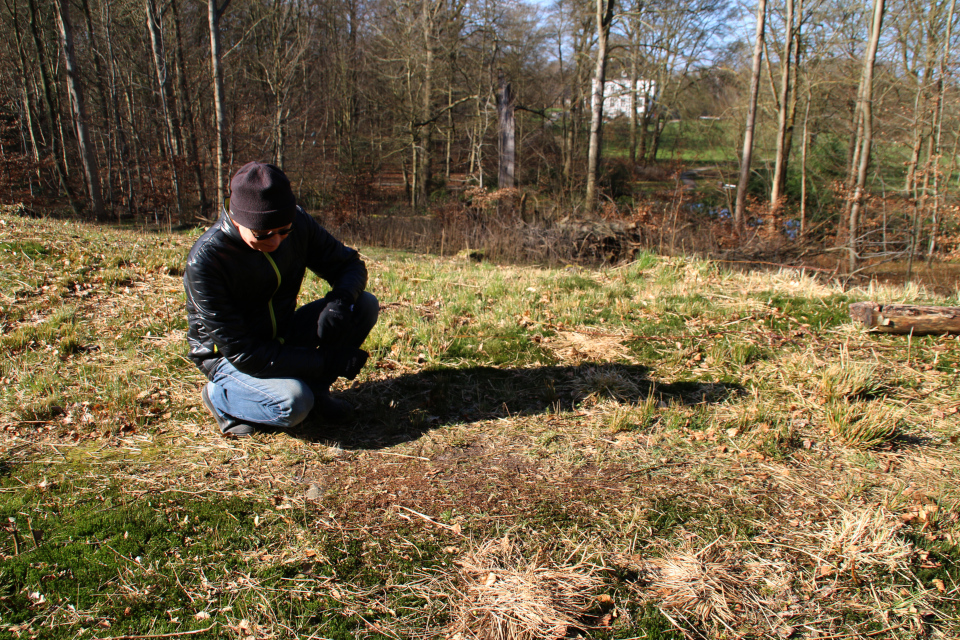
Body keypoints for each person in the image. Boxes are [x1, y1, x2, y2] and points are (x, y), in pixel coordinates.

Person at [183, 161, 378, 436]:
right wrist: (327, 361)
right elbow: (245, 353)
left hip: (281, 334)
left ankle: (317, 393)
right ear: (237, 218)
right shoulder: (207, 261)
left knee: (363, 305)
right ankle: (221, 396)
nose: (275, 242)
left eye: (284, 231)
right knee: (294, 404)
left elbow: (349, 264)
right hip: (232, 357)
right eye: (262, 234)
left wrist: (340, 301)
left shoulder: (299, 223)